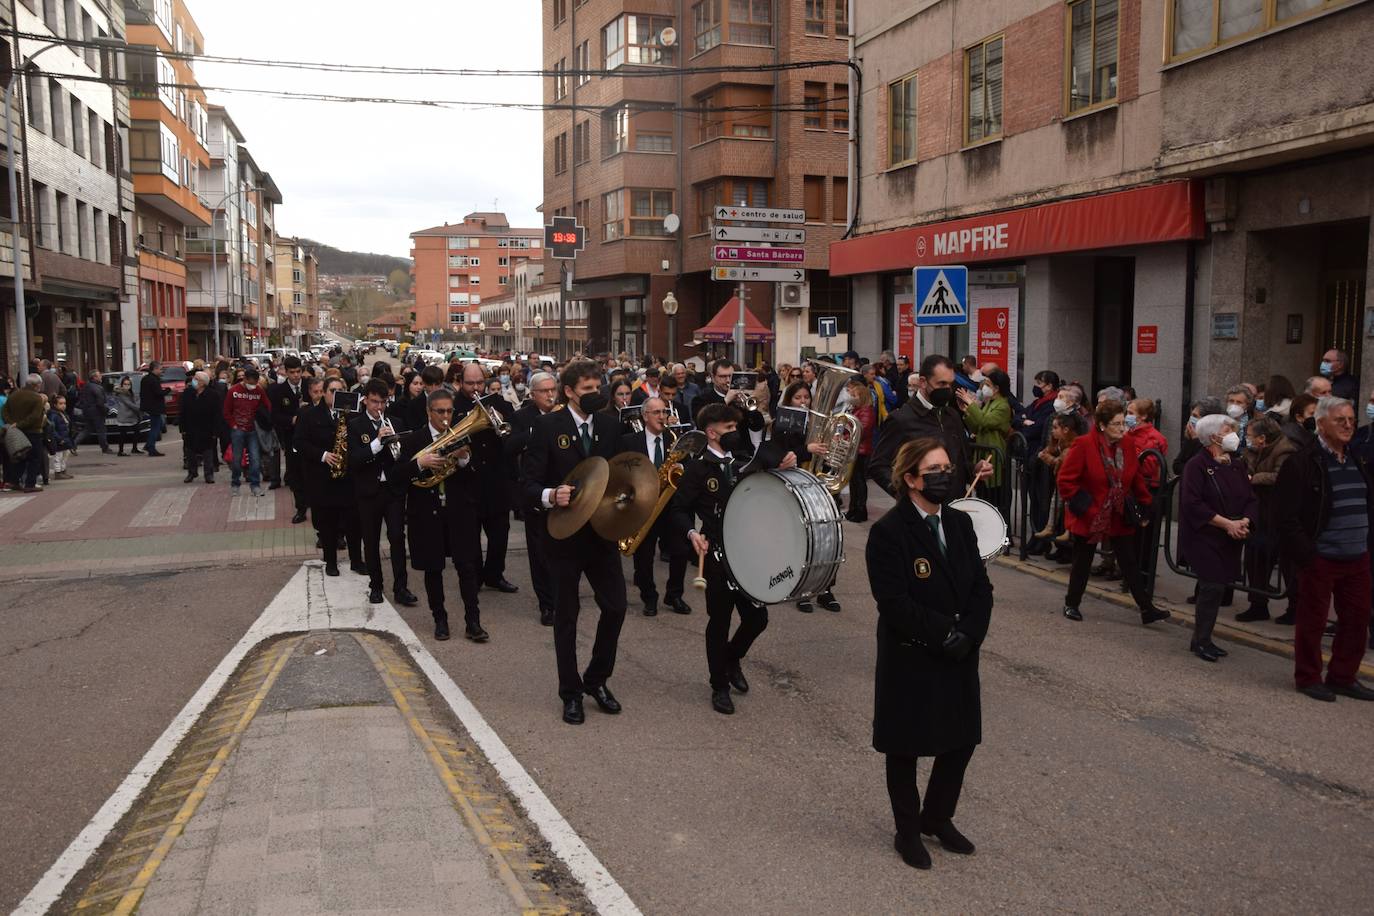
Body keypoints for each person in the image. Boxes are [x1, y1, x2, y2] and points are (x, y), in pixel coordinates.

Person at [866, 438, 993, 871]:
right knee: (905, 747)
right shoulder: (888, 533)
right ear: (911, 480)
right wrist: (945, 632)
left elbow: (980, 587)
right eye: (934, 470)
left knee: (961, 740)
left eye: (947, 467)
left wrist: (971, 633)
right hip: (913, 654)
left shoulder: (959, 524)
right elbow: (894, 602)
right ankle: (906, 832)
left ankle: (936, 818)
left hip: (960, 653)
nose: (945, 476)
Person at [522, 360, 629, 725]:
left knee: (616, 607)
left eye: (598, 388)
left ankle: (596, 681)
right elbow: (528, 485)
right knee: (566, 618)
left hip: (601, 536)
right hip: (563, 538)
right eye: (587, 390)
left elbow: (618, 477)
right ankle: (570, 694)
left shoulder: (611, 425)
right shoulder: (546, 426)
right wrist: (552, 495)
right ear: (568, 392)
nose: (595, 395)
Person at [671, 403, 779, 715]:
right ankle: (718, 685)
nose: (735, 433)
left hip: (747, 552)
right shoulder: (699, 467)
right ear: (712, 432)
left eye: (736, 428)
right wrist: (693, 534)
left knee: (758, 618)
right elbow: (679, 508)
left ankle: (731, 658)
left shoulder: (745, 462)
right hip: (717, 554)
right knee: (719, 621)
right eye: (729, 429)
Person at [1274, 397, 1374, 701]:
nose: (1348, 425)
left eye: (1351, 420)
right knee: (1313, 621)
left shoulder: (1357, 457)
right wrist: (1308, 554)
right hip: (1321, 557)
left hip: (1357, 556)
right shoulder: (1302, 462)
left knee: (1357, 621)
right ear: (1320, 424)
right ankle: (1308, 677)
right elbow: (1285, 516)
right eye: (1340, 420)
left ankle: (1342, 676)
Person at [1057, 400, 1170, 625]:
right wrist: (1088, 509)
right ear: (1101, 425)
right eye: (1116, 424)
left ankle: (1147, 609)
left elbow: (1135, 476)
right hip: (1091, 514)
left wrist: (1147, 502)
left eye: (1123, 423)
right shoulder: (1084, 445)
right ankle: (1072, 604)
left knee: (1129, 561)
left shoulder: (1127, 444)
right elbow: (1066, 482)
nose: (1122, 428)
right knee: (1082, 562)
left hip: (1118, 512)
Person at [1178, 415, 1257, 662]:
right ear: (1214, 437)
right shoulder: (1196, 465)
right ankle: (1201, 640)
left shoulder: (1237, 464)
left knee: (1217, 587)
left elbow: (1251, 498)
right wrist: (1226, 524)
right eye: (1229, 429)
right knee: (1211, 586)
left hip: (1231, 535)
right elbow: (1192, 504)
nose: (1235, 433)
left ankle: (1204, 638)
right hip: (1205, 535)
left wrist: (1245, 521)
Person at [869, 354, 992, 498]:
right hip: (921, 513)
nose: (947, 389)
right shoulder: (901, 419)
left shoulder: (952, 415)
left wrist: (976, 470)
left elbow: (962, 461)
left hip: (955, 507)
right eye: (941, 384)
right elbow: (878, 466)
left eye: (950, 384)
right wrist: (905, 495)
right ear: (923, 382)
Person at [349, 378, 418, 608]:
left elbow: (404, 456)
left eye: (383, 403)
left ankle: (401, 587)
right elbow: (355, 460)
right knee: (370, 540)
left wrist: (399, 447)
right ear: (365, 400)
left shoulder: (395, 422)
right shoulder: (355, 425)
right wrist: (378, 442)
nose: (379, 408)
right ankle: (376, 586)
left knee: (398, 537)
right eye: (374, 402)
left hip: (393, 490)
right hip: (369, 491)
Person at [618, 396, 690, 616]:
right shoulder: (629, 441)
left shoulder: (676, 440)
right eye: (656, 413)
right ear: (645, 416)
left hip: (671, 505)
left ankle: (674, 594)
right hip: (644, 506)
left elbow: (685, 472)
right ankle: (649, 597)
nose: (662, 416)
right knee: (644, 556)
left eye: (664, 412)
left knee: (680, 551)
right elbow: (622, 474)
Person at [454, 362, 519, 594]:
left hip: (496, 479)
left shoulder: (498, 402)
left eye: (479, 383)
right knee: (471, 536)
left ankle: (495, 574)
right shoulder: (454, 406)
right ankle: (475, 576)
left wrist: (502, 418)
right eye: (470, 383)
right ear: (461, 383)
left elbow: (513, 432)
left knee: (500, 534)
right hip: (468, 480)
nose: (476, 388)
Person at [295, 377, 364, 577]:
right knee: (327, 523)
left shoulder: (353, 415)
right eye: (332, 390)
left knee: (353, 523)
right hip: (322, 479)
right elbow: (299, 442)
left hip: (349, 478)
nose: (336, 394)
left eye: (341, 390)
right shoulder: (308, 415)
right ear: (324, 393)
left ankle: (356, 561)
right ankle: (331, 562)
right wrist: (323, 455)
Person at [510, 370, 559, 626]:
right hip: (535, 491)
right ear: (532, 394)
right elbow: (510, 445)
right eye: (544, 391)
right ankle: (546, 604)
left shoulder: (563, 414)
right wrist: (537, 433)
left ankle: (561, 596)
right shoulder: (522, 417)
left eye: (553, 390)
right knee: (539, 552)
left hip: (561, 489)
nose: (550, 395)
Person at [1237, 415, 1297, 623]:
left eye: (1250, 436)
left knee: (1287, 563)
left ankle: (1295, 607)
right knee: (1255, 560)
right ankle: (1258, 604)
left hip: (1278, 513)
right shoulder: (1253, 450)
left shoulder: (1284, 449)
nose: (1247, 439)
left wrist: (1254, 479)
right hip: (1259, 512)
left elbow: (1282, 476)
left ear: (1263, 438)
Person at [689, 359, 766, 456]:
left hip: (742, 453)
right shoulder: (701, 399)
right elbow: (701, 423)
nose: (728, 380)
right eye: (723, 377)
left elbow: (757, 426)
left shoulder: (741, 397)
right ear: (713, 378)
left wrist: (749, 409)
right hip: (715, 454)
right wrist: (726, 400)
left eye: (731, 376)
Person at [267, 356, 308, 522]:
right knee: (295, 474)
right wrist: (291, 420)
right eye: (292, 372)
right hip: (292, 438)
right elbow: (274, 415)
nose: (296, 376)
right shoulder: (277, 390)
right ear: (286, 372)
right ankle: (301, 509)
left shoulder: (309, 385)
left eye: (298, 372)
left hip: (312, 437)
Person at [962, 367, 1012, 492]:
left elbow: (985, 421)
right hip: (982, 451)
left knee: (993, 490)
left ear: (996, 388)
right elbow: (978, 426)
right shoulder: (989, 403)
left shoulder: (1003, 406)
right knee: (981, 488)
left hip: (994, 454)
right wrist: (967, 411)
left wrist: (971, 404)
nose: (984, 388)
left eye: (988, 385)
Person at [222, 367, 268, 497]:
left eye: (255, 383)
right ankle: (235, 484)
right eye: (251, 383)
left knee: (255, 459)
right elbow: (226, 411)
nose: (253, 386)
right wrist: (234, 425)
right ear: (245, 379)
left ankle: (255, 485)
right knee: (236, 460)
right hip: (238, 430)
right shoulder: (233, 391)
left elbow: (267, 405)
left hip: (253, 430)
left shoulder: (259, 391)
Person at [1, 375, 46, 492]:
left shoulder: (14, 395)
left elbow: (5, 411)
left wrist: (12, 423)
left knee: (20, 456)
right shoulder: (37, 398)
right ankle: (30, 484)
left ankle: (14, 482)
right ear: (37, 385)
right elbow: (35, 417)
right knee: (34, 458)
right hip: (33, 431)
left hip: (17, 432)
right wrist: (20, 424)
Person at [179, 372, 220, 484]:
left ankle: (209, 474)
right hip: (190, 427)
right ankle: (192, 472)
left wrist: (215, 431)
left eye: (196, 379)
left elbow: (217, 414)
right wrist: (182, 428)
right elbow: (182, 411)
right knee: (190, 451)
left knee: (208, 452)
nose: (194, 381)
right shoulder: (187, 393)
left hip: (207, 427)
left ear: (203, 383)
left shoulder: (212, 395)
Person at [845, 376, 876, 523]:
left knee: (859, 482)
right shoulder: (857, 410)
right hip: (855, 450)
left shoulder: (866, 411)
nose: (851, 397)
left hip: (861, 451)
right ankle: (853, 509)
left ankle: (860, 510)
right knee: (854, 482)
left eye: (854, 395)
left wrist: (846, 435)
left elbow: (861, 430)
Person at [139, 362, 168, 456]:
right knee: (155, 427)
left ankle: (149, 444)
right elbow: (158, 393)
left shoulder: (145, 379)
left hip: (148, 406)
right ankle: (151, 447)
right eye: (160, 369)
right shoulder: (153, 380)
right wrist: (168, 390)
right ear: (154, 369)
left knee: (156, 425)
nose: (161, 371)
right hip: (154, 407)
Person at [78, 370, 110, 454]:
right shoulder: (97, 388)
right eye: (99, 376)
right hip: (97, 412)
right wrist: (105, 410)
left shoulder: (86, 386)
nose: (101, 377)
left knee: (87, 430)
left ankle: (73, 444)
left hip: (87, 411)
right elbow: (100, 402)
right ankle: (105, 447)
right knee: (101, 430)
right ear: (94, 377)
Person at [46, 393, 75, 480]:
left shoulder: (63, 414)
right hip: (59, 440)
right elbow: (52, 429)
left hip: (65, 439)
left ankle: (63, 470)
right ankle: (58, 472)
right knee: (58, 457)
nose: (63, 405)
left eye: (64, 403)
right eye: (61, 403)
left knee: (65, 456)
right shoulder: (53, 415)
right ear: (55, 405)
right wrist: (59, 438)